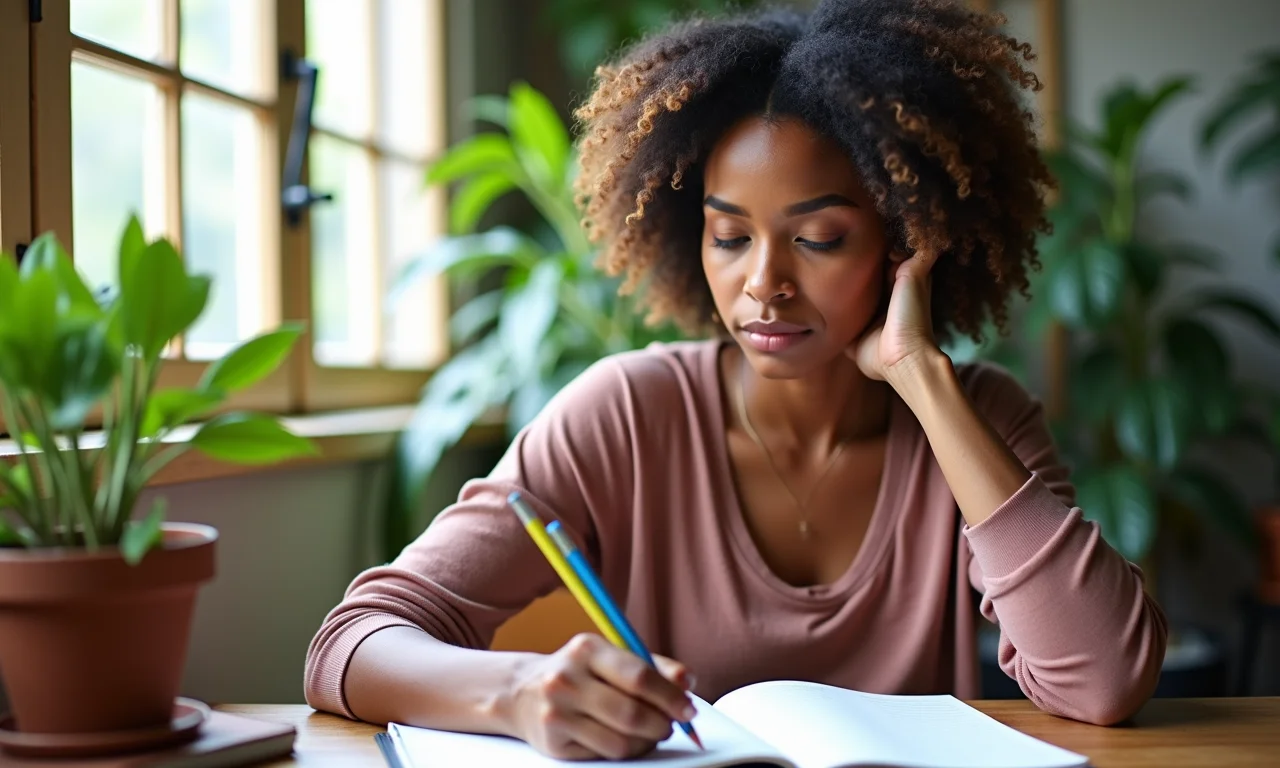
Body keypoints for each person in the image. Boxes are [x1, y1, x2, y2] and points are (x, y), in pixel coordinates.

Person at [305, 0, 1168, 760]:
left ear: (909, 242)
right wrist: (519, 694)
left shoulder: (976, 419)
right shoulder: (627, 414)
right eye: (729, 236)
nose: (764, 283)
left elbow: (1104, 681)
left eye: (820, 237)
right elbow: (349, 646)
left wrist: (925, 381)